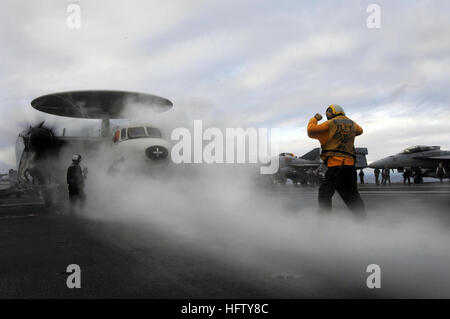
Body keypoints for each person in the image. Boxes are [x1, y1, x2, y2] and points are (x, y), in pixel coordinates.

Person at [307, 104, 365, 214]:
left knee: (325, 192)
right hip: (350, 166)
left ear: (331, 112)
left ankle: (324, 222)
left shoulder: (330, 123)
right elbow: (360, 130)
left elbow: (311, 131)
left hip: (335, 165)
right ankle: (363, 219)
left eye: (328, 113)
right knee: (351, 194)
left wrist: (314, 119)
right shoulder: (352, 124)